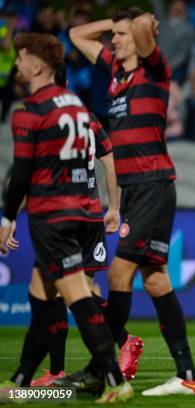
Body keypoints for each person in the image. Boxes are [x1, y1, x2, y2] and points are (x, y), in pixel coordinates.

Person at [68, 7, 195, 396]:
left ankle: (101, 368)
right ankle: (188, 375)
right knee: (157, 280)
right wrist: (116, 24)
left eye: (122, 36)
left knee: (117, 275)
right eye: (114, 36)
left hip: (153, 186)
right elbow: (77, 34)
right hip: (139, 189)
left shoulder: (154, 70)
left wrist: (141, 24)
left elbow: (145, 28)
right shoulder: (114, 70)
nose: (114, 41)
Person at [0, 32, 133, 403]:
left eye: (22, 57)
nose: (17, 64)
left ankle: (114, 378)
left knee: (77, 296)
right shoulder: (76, 105)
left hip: (52, 215)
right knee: (41, 296)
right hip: (84, 210)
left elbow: (22, 172)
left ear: (38, 64)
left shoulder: (29, 110)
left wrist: (7, 219)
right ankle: (21, 381)